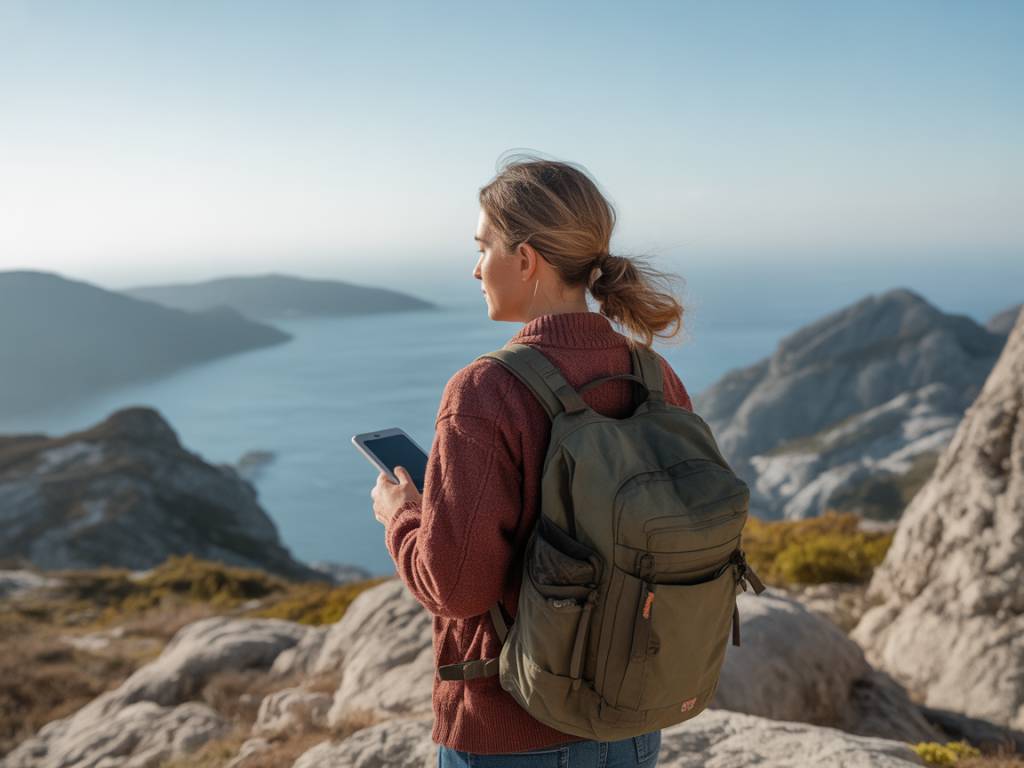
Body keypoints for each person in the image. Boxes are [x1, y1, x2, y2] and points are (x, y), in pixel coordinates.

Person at [370, 155, 694, 767]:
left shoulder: (484, 390)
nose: (475, 268)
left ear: (526, 258)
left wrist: (402, 516)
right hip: (630, 719)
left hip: (514, 729)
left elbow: (456, 588)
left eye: (483, 246)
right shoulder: (655, 376)